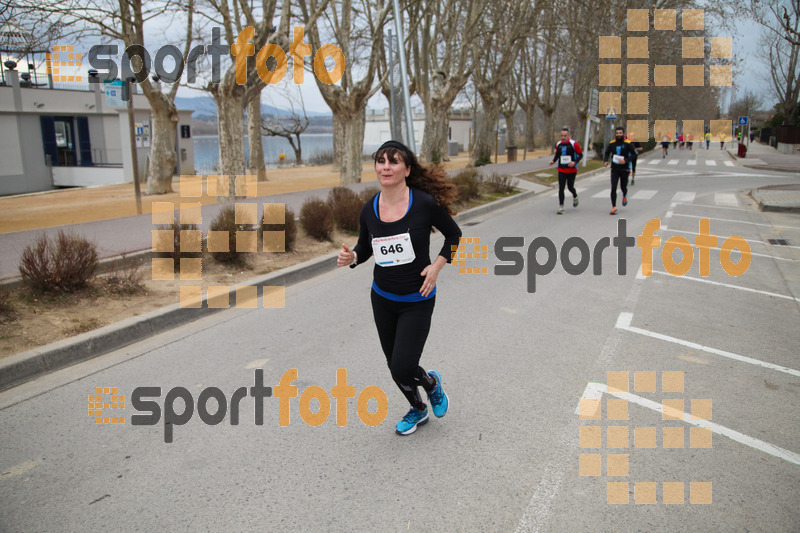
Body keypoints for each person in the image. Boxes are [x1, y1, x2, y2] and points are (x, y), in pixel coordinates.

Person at [337, 140, 461, 436]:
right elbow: (366, 247)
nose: (386, 166)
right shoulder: (370, 209)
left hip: (417, 299)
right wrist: (352, 257)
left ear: (407, 169)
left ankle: (431, 383)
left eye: (393, 161)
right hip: (382, 298)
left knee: (403, 365)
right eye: (381, 161)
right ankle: (418, 409)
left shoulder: (423, 203)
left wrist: (437, 266)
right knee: (395, 366)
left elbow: (453, 235)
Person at [604, 126, 637, 215]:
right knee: (613, 187)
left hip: (624, 168)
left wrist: (625, 160)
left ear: (623, 134)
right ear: (615, 134)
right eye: (617, 133)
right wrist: (606, 161)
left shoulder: (628, 144)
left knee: (623, 186)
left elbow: (634, 155)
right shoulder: (612, 144)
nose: (618, 135)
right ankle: (614, 207)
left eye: (620, 133)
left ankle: (624, 195)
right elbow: (607, 153)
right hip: (615, 168)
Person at [548, 127, 582, 214]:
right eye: (561, 135)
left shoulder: (574, 144)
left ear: (569, 135)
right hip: (561, 169)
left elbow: (580, 155)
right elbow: (557, 154)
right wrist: (553, 161)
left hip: (571, 170)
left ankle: (575, 196)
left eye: (565, 136)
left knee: (570, 187)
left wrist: (574, 162)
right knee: (561, 188)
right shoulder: (558, 144)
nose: (563, 137)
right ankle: (561, 206)